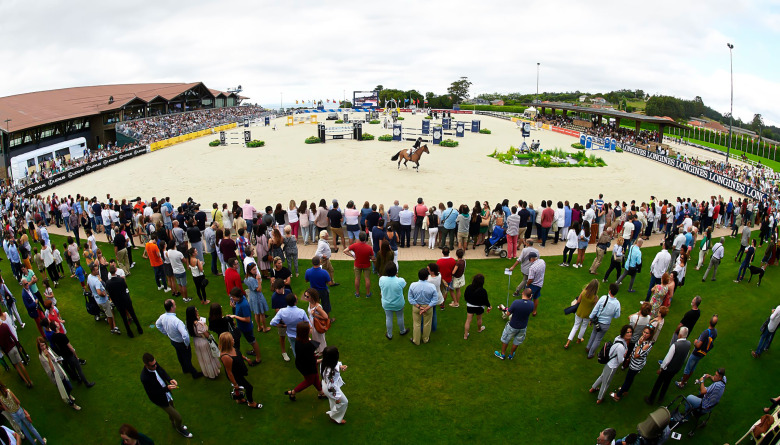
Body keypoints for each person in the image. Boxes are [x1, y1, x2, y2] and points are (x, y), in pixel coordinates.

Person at [140, 353, 193, 438]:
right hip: (160, 399)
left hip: (166, 393)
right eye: (153, 365)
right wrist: (166, 389)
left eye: (155, 363)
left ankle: (173, 424)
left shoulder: (155, 365)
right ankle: (179, 428)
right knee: (178, 417)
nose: (155, 366)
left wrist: (170, 379)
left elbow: (162, 371)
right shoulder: (144, 378)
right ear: (146, 365)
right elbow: (153, 392)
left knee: (172, 409)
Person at [154, 299, 203, 378]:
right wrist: (186, 344)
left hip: (173, 341)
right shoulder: (177, 321)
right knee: (187, 358)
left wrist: (166, 333)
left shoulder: (162, 317)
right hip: (181, 342)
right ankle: (194, 373)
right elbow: (185, 335)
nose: (176, 306)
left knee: (180, 355)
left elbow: (157, 325)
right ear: (171, 307)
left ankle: (185, 369)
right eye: (175, 305)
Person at [645, 327, 690, 405]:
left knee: (658, 383)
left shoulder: (675, 345)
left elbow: (667, 360)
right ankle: (661, 398)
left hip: (668, 368)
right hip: (676, 368)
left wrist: (661, 368)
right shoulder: (688, 344)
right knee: (667, 382)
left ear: (680, 334)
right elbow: (686, 356)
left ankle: (651, 399)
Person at [218, 332, 262, 409]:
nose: (233, 339)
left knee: (243, 387)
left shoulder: (232, 347)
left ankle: (239, 400)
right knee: (249, 387)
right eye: (231, 339)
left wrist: (246, 359)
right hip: (236, 375)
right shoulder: (225, 357)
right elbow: (229, 372)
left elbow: (238, 354)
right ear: (228, 343)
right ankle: (251, 402)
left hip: (239, 370)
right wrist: (235, 384)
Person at [589, 324, 632, 404]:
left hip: (608, 363)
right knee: (606, 383)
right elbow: (620, 360)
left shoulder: (618, 338)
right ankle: (600, 398)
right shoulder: (621, 347)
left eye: (630, 332)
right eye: (627, 332)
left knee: (602, 376)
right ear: (624, 333)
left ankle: (593, 388)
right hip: (612, 366)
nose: (630, 334)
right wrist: (625, 356)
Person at [284, 322, 327, 401]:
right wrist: (321, 360)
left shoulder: (298, 340)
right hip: (308, 367)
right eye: (310, 328)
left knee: (315, 377)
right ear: (306, 332)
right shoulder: (309, 345)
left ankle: (321, 392)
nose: (312, 329)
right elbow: (311, 360)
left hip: (301, 364)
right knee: (310, 381)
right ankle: (293, 392)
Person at [611, 326, 654, 401]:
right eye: (644, 332)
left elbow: (636, 355)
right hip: (634, 363)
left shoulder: (647, 344)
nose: (644, 334)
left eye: (647, 333)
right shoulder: (642, 339)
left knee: (628, 379)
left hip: (636, 365)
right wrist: (630, 355)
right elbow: (634, 350)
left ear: (650, 335)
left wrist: (639, 344)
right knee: (630, 378)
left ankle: (618, 395)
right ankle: (625, 390)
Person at [677, 315, 718, 388]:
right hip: (703, 353)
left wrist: (695, 342)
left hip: (697, 352)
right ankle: (685, 380)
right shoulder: (715, 332)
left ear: (709, 322)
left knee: (688, 368)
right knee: (693, 367)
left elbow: (698, 345)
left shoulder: (705, 332)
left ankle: (682, 383)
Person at [495, 287, 534, 360]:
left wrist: (505, 309)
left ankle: (502, 354)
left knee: (506, 339)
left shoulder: (516, 302)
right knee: (517, 342)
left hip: (512, 326)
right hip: (523, 327)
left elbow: (507, 314)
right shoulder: (532, 304)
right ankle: (511, 355)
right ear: (531, 296)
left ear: (522, 293)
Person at [227, 287, 262, 365]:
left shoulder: (244, 305)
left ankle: (258, 359)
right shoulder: (240, 300)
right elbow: (239, 310)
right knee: (250, 341)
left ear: (237, 297)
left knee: (252, 341)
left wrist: (235, 316)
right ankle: (254, 351)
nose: (232, 299)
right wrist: (234, 306)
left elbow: (247, 319)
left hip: (246, 328)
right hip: (242, 326)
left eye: (233, 297)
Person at [586, 283, 622, 359]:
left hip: (597, 322)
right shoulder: (617, 303)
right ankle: (590, 354)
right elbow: (617, 315)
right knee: (598, 339)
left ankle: (588, 347)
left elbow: (595, 309)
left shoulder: (603, 298)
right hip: (606, 324)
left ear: (609, 291)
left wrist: (591, 318)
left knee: (593, 333)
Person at [106, 266, 144, 337]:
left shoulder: (108, 283)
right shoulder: (121, 280)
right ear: (115, 271)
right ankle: (139, 329)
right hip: (125, 299)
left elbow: (110, 293)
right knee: (133, 314)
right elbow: (125, 287)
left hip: (118, 302)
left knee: (124, 318)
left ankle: (129, 333)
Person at [184, 306, 220, 379]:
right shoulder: (199, 323)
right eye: (196, 311)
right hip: (203, 341)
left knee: (202, 358)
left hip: (196, 341)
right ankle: (213, 373)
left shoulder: (188, 322)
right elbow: (206, 334)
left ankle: (207, 373)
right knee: (209, 357)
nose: (197, 311)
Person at [269, 292, 309, 357]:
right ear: (295, 302)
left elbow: (272, 323)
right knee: (304, 349)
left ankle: (298, 361)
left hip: (290, 334)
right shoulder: (301, 312)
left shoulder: (281, 311)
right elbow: (308, 324)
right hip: (301, 334)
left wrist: (282, 326)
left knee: (294, 349)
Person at [565, 279, 600, 349]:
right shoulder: (595, 298)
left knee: (575, 326)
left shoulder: (584, 292)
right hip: (587, 315)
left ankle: (567, 343)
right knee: (583, 327)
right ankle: (578, 340)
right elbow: (595, 308)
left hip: (579, 312)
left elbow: (578, 301)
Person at [86, 265, 121, 334]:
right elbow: (99, 292)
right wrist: (104, 294)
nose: (97, 271)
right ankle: (112, 329)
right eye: (96, 270)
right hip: (103, 301)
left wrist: (93, 292)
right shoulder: (96, 281)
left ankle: (113, 324)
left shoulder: (89, 277)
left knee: (109, 311)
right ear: (93, 271)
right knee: (109, 315)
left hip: (97, 300)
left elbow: (88, 285)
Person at [407, 268, 438, 345]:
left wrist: (419, 307)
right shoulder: (432, 286)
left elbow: (410, 298)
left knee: (416, 324)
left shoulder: (412, 285)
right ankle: (425, 339)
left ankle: (416, 341)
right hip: (428, 307)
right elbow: (435, 300)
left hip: (416, 307)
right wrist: (426, 308)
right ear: (427, 277)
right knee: (427, 323)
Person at [378, 263, 408, 340]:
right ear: (395, 271)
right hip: (398, 303)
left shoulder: (382, 279)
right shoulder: (400, 280)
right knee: (400, 317)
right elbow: (404, 285)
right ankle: (402, 331)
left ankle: (389, 334)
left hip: (386, 303)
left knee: (388, 318)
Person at [321, 346, 348, 424]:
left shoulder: (325, 362)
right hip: (330, 388)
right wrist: (337, 397)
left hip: (325, 384)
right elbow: (331, 387)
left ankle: (334, 414)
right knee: (344, 402)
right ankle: (335, 417)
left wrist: (340, 366)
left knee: (333, 400)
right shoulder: (331, 372)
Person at [0, 323, 32, 387]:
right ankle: (30, 381)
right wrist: (18, 345)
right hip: (13, 347)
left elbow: (1, 345)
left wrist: (4, 352)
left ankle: (26, 382)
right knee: (21, 364)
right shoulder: (4, 325)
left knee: (17, 367)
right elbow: (12, 335)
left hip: (8, 351)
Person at [343, 232, 375, 298]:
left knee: (357, 279)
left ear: (359, 238)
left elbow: (345, 251)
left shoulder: (355, 245)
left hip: (357, 265)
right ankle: (368, 293)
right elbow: (372, 257)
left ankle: (357, 293)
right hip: (367, 265)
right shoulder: (369, 248)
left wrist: (352, 256)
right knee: (367, 279)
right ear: (365, 238)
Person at [305, 256, 334, 322]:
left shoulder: (308, 271)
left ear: (312, 263)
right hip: (323, 291)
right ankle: (328, 320)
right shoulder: (324, 272)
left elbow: (306, 280)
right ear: (320, 262)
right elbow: (329, 283)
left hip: (313, 291)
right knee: (326, 305)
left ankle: (315, 318)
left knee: (314, 305)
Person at [244, 263, 270, 333]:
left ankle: (259, 327)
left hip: (252, 296)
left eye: (255, 269)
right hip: (257, 297)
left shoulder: (246, 278)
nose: (255, 271)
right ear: (249, 270)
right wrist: (259, 281)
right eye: (253, 269)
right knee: (262, 313)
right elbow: (259, 289)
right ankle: (264, 328)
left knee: (256, 313)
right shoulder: (252, 279)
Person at [463, 274, 491, 339]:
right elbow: (485, 300)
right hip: (479, 308)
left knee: (468, 320)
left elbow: (465, 297)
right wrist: (489, 306)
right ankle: (479, 329)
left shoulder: (468, 287)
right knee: (479, 319)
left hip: (470, 306)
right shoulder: (483, 291)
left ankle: (465, 335)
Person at [303, 288, 328, 355]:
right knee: (315, 337)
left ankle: (322, 351)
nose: (305, 297)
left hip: (317, 324)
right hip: (312, 323)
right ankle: (318, 348)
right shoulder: (310, 303)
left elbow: (325, 317)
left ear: (312, 297)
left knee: (320, 338)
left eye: (307, 296)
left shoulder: (317, 307)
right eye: (305, 295)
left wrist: (315, 314)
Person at [524, 252, 546, 316]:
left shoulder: (532, 268)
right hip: (540, 284)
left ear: (532, 258)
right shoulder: (542, 261)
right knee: (536, 298)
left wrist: (527, 285)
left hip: (532, 285)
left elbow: (530, 279)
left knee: (527, 300)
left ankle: (525, 313)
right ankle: (534, 311)